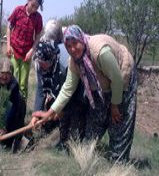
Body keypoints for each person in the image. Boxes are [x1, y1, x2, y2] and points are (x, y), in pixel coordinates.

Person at [33, 25, 137, 161]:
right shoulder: (74, 62)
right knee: (94, 122)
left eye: (75, 43)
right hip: (101, 86)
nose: (72, 49)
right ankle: (86, 157)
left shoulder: (100, 52)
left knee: (118, 121)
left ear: (81, 39)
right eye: (68, 46)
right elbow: (67, 88)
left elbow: (117, 79)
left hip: (122, 79)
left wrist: (114, 105)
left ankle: (118, 161)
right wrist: (50, 112)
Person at [6, 0, 44, 102]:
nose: (33, 9)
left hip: (26, 54)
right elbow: (9, 27)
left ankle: (20, 111)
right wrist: (8, 45)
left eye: (36, 7)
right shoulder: (18, 10)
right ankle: (8, 106)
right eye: (32, 5)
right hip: (13, 51)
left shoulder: (38, 18)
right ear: (28, 1)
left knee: (22, 84)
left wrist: (32, 50)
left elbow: (37, 36)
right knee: (11, 78)